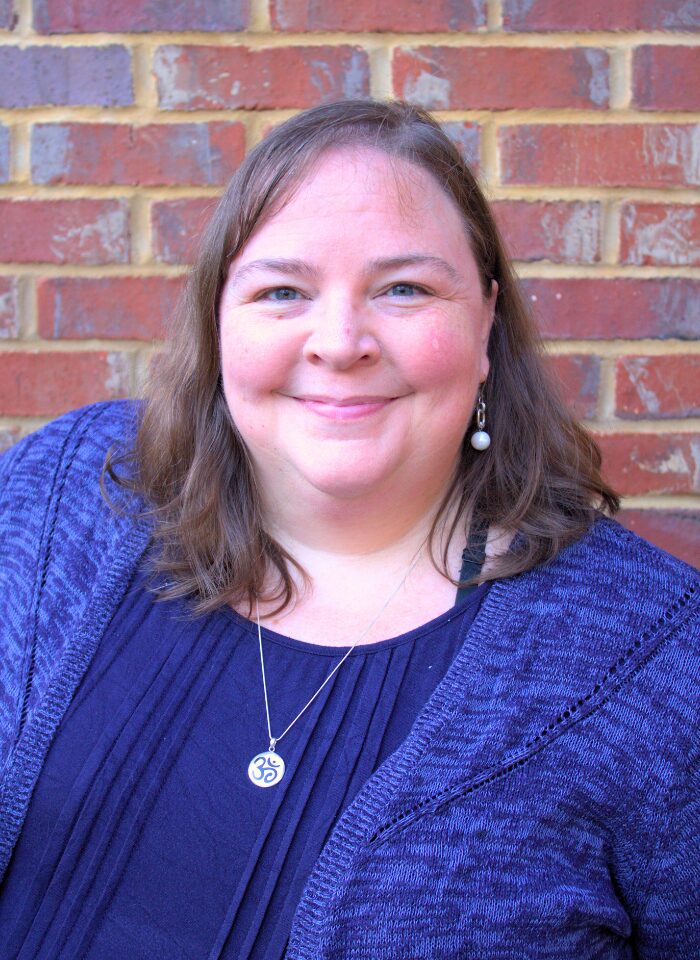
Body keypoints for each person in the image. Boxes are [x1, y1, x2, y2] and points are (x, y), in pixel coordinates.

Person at [0, 98, 697, 960]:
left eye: (404, 288)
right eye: (282, 290)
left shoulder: (655, 667)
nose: (339, 341)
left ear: (484, 323)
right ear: (220, 320)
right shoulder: (60, 492)